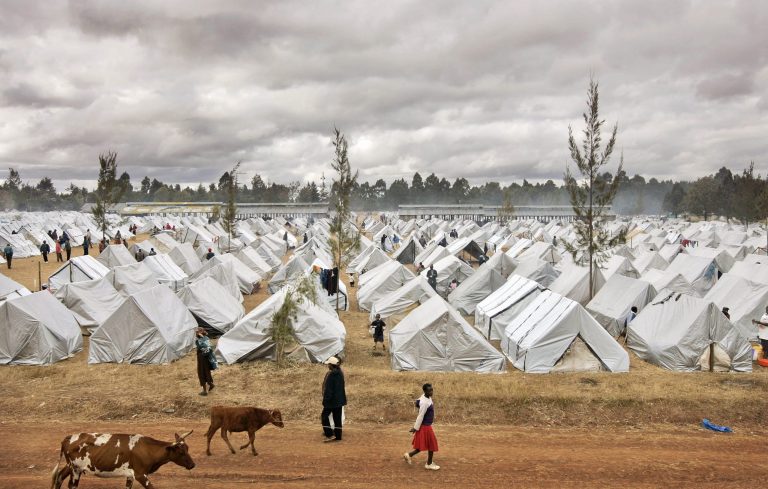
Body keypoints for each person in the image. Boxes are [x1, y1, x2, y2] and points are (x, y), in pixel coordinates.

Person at [403, 383, 440, 471]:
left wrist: (417, 403)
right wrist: (415, 428)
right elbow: (420, 416)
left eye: (432, 390)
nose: (431, 392)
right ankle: (429, 464)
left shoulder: (425, 397)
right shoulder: (424, 402)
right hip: (425, 427)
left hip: (426, 426)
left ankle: (409, 455)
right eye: (429, 390)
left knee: (422, 446)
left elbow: (418, 400)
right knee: (432, 444)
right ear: (425, 391)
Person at [321, 356, 346, 442]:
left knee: (324, 417)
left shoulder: (331, 375)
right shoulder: (340, 373)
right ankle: (338, 436)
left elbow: (329, 390)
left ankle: (329, 434)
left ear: (331, 365)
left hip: (331, 401)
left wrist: (325, 401)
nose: (328, 366)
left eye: (329, 364)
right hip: (340, 400)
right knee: (337, 418)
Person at [195, 328, 215, 396]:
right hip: (205, 358)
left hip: (202, 358)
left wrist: (201, 338)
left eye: (197, 332)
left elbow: (206, 347)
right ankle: (211, 384)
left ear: (200, 332)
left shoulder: (202, 339)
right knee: (206, 371)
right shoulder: (205, 338)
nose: (196, 333)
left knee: (201, 373)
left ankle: (204, 391)